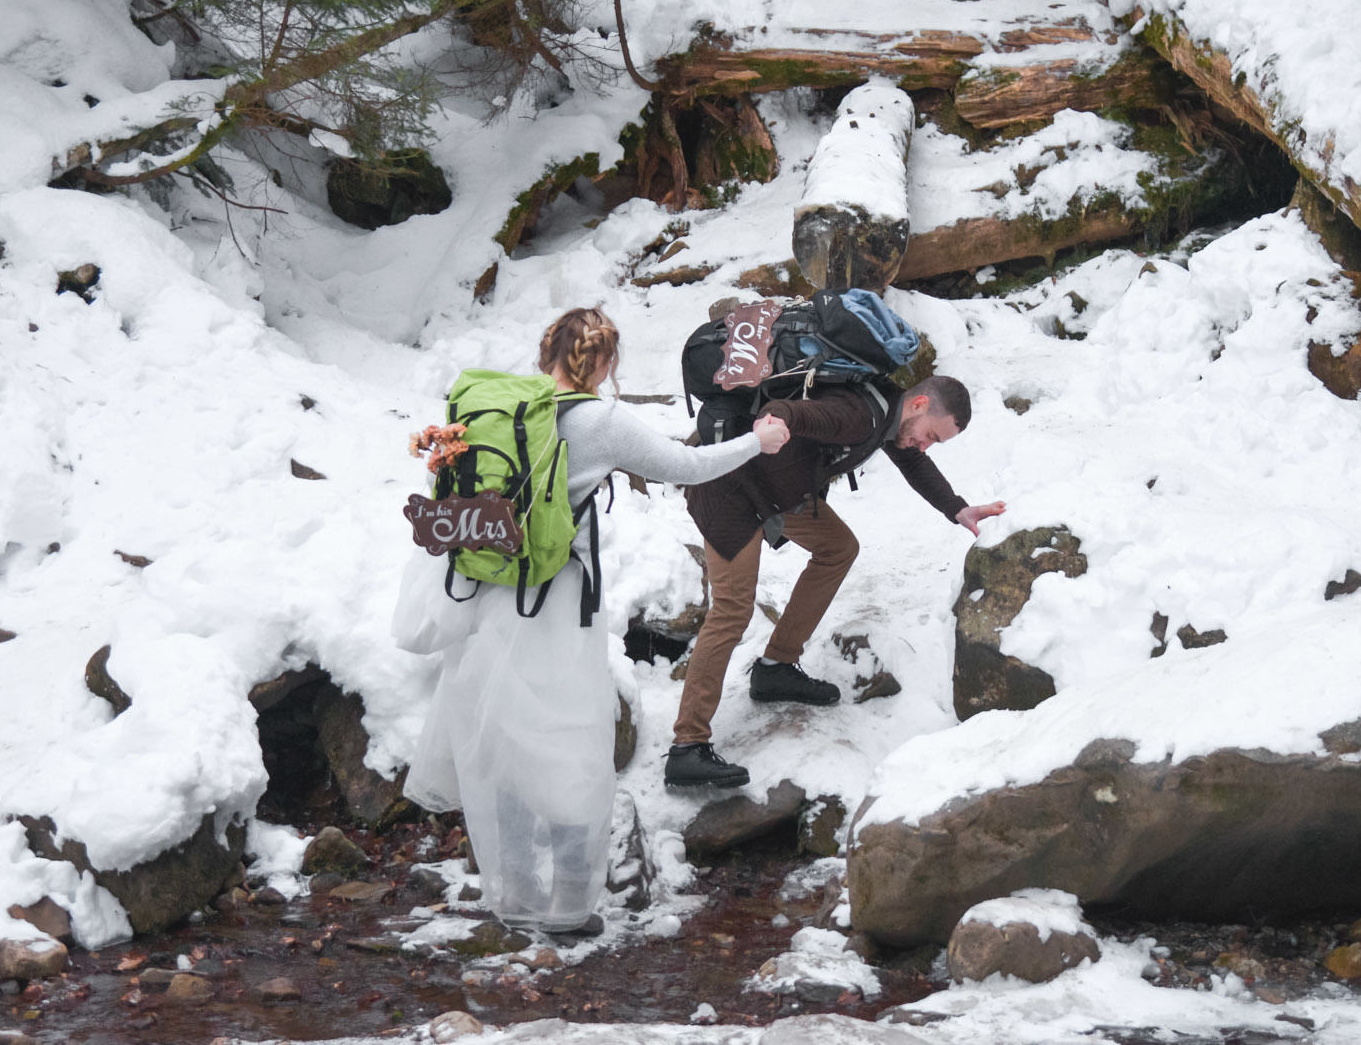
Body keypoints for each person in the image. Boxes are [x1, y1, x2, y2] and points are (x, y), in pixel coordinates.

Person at [402, 308, 788, 931]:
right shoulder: (598, 421)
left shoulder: (498, 410)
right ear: (603, 362)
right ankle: (567, 904)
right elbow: (686, 467)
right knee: (570, 746)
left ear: (545, 353)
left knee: (506, 745)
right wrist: (757, 442)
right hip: (555, 603)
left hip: (489, 595)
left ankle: (515, 893)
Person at [665, 374, 1005, 789]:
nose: (925, 445)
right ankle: (687, 746)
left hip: (778, 491)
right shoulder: (858, 414)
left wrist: (957, 508)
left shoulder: (887, 412)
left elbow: (912, 460)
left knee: (838, 547)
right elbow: (789, 413)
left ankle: (776, 667)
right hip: (731, 487)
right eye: (931, 435)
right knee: (733, 610)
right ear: (918, 404)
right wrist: (772, 420)